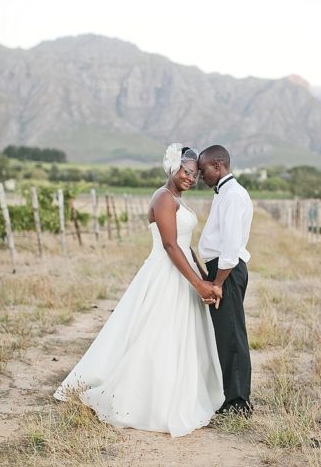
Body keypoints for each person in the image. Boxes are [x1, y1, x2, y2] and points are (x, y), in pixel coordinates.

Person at [54, 143, 224, 437]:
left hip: (184, 270)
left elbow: (185, 245)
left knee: (180, 336)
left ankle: (178, 390)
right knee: (154, 335)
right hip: (165, 273)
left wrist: (205, 278)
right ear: (174, 168)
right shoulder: (163, 198)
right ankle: (148, 400)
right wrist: (197, 284)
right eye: (186, 172)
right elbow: (170, 246)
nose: (190, 178)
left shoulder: (178, 200)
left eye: (195, 175)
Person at [198, 145, 254, 415]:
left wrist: (218, 283)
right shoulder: (225, 193)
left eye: (203, 170)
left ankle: (239, 402)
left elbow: (230, 249)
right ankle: (229, 396)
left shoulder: (232, 195)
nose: (200, 176)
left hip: (227, 273)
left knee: (232, 335)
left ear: (218, 166)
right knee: (224, 334)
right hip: (221, 271)